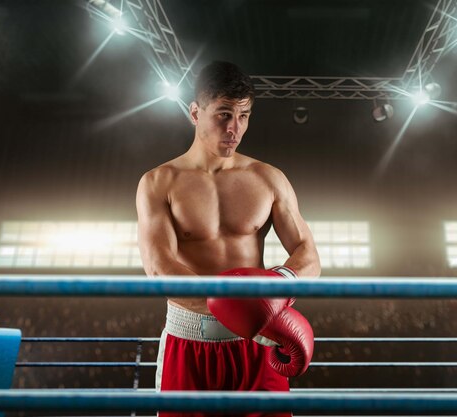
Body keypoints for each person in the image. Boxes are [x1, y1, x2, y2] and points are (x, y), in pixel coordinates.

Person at [136, 61, 321, 417]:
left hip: (256, 343)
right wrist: (240, 306)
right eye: (224, 114)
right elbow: (159, 269)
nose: (234, 128)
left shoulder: (268, 178)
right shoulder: (159, 183)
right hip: (189, 343)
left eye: (244, 115)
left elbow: (307, 253)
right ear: (195, 112)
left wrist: (278, 289)